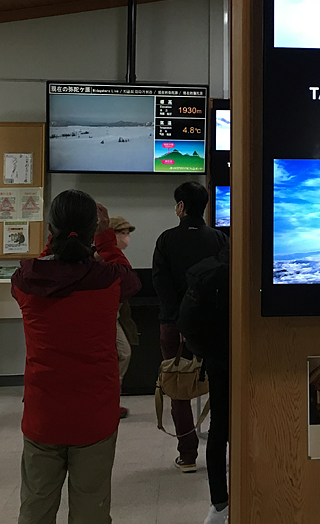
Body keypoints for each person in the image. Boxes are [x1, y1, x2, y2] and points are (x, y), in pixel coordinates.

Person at [11, 190, 141, 523]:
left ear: (51, 231)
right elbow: (131, 279)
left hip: (43, 415)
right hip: (94, 415)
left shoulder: (25, 281)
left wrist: (53, 241)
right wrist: (106, 239)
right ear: (91, 233)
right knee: (91, 510)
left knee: (35, 508)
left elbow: (43, 269)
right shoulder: (108, 280)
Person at [152, 181, 229, 473]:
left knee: (178, 387)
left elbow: (160, 282)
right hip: (216, 326)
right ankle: (222, 449)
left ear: (181, 207)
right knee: (221, 385)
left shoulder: (167, 239)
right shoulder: (220, 239)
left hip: (174, 327)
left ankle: (187, 456)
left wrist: (179, 319)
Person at [178, 253, 230, 524]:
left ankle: (219, 505)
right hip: (247, 359)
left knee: (219, 428)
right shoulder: (243, 266)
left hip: (218, 359)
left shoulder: (212, 267)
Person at [110, 216, 140, 418]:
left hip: (114, 316)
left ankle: (112, 401)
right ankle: (111, 402)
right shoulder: (106, 257)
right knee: (123, 353)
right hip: (106, 318)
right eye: (123, 233)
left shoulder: (116, 256)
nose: (127, 237)